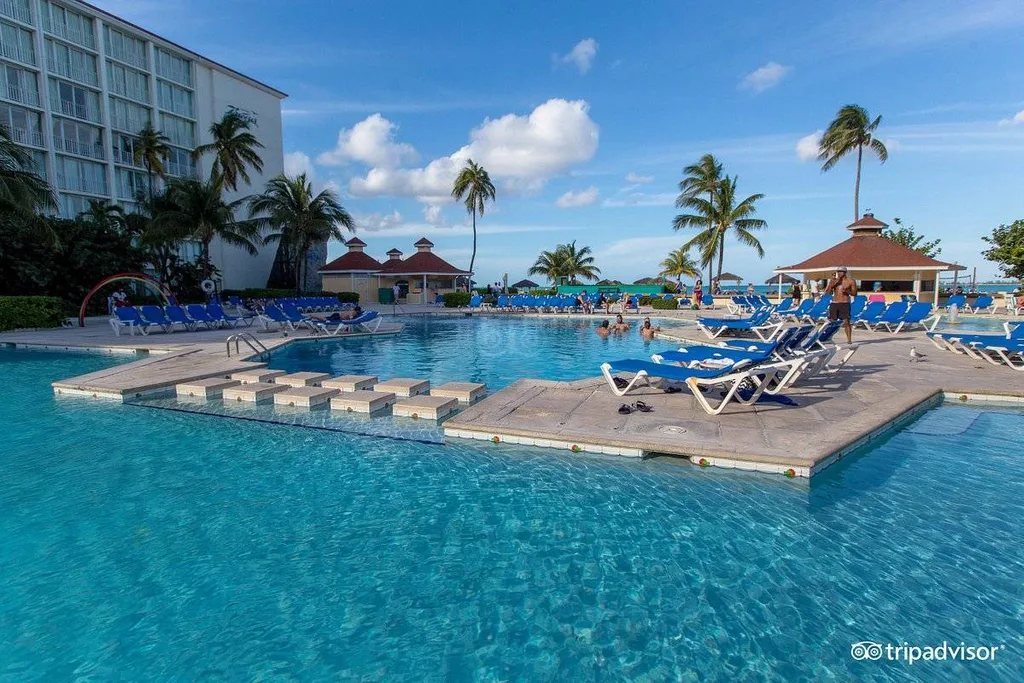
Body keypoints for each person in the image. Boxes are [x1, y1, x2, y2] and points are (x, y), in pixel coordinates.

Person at [824, 266, 858, 344]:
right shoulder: (834, 281)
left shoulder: (850, 281)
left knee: (846, 322)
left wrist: (847, 291)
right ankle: (827, 338)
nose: (839, 273)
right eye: (838, 272)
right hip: (834, 303)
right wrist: (831, 284)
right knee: (832, 322)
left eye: (841, 272)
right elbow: (828, 293)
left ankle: (849, 340)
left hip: (844, 303)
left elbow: (854, 293)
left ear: (845, 272)